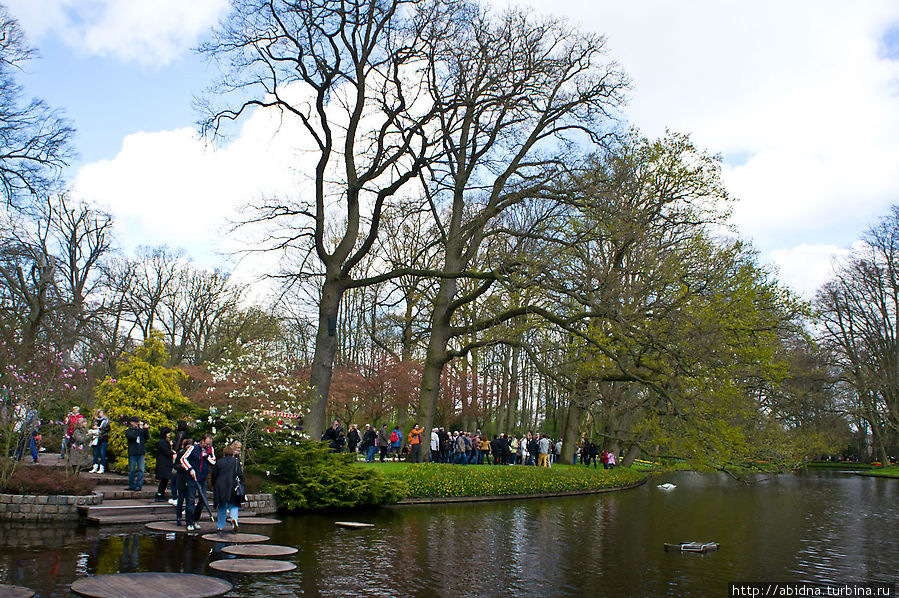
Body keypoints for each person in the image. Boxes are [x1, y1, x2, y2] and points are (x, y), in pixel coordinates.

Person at [212, 441, 244, 533]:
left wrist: (214, 484)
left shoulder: (219, 462)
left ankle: (220, 526)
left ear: (224, 453)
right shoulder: (236, 461)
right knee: (233, 505)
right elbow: (239, 474)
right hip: (232, 485)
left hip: (220, 486)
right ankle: (234, 519)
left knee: (222, 506)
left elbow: (214, 475)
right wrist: (241, 484)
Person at [177, 437, 202, 530]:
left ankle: (192, 519)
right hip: (182, 478)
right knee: (181, 498)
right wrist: (182, 466)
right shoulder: (181, 454)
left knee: (190, 499)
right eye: (187, 447)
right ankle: (179, 517)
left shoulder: (195, 454)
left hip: (191, 479)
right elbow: (176, 465)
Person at [125, 417, 150, 491]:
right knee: (132, 470)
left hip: (141, 452)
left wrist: (146, 429)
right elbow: (133, 436)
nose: (137, 424)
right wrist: (141, 429)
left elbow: (147, 437)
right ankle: (131, 485)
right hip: (133, 452)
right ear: (131, 423)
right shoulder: (129, 430)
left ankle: (139, 485)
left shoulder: (141, 431)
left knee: (141, 469)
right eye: (135, 422)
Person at [155, 427, 175, 502]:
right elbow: (166, 451)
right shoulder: (162, 442)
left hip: (165, 463)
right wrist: (173, 452)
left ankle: (161, 494)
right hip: (163, 463)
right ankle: (159, 494)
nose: (169, 435)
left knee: (165, 480)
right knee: (164, 480)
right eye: (168, 433)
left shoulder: (165, 442)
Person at [89, 409, 110, 474]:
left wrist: (99, 429)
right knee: (95, 453)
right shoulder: (95, 420)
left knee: (102, 454)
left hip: (103, 438)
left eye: (102, 413)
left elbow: (107, 429)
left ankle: (102, 468)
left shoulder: (106, 421)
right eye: (100, 413)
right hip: (96, 439)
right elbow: (91, 427)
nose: (101, 414)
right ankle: (95, 467)